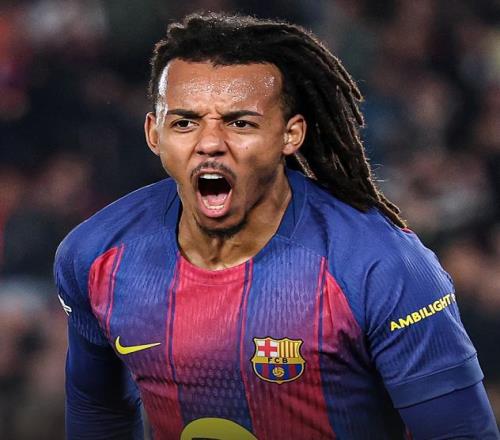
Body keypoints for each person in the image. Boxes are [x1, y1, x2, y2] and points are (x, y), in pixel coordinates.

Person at [54, 12, 499, 440]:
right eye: (185, 122)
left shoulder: (382, 266)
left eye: (240, 123)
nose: (210, 143)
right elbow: (97, 411)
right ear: (155, 133)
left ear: (290, 134)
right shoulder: (94, 255)